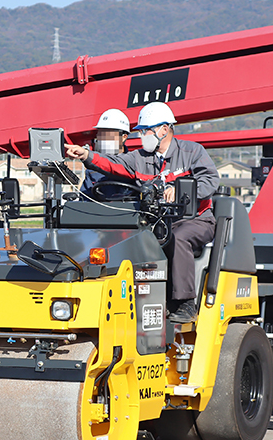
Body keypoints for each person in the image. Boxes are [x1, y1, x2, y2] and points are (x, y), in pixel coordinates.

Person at [66, 101, 219, 323]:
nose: (142, 135)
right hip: (158, 222)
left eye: (146, 130)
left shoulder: (192, 152)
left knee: (179, 237)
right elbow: (111, 164)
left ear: (164, 129)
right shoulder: (139, 158)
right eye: (141, 131)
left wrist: (180, 191)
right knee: (130, 240)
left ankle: (185, 304)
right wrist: (86, 156)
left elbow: (210, 181)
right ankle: (142, 301)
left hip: (195, 220)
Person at [79, 108, 134, 200]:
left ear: (124, 137)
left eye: (109, 135)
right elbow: (84, 200)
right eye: (101, 134)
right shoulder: (92, 170)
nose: (104, 139)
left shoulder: (133, 165)